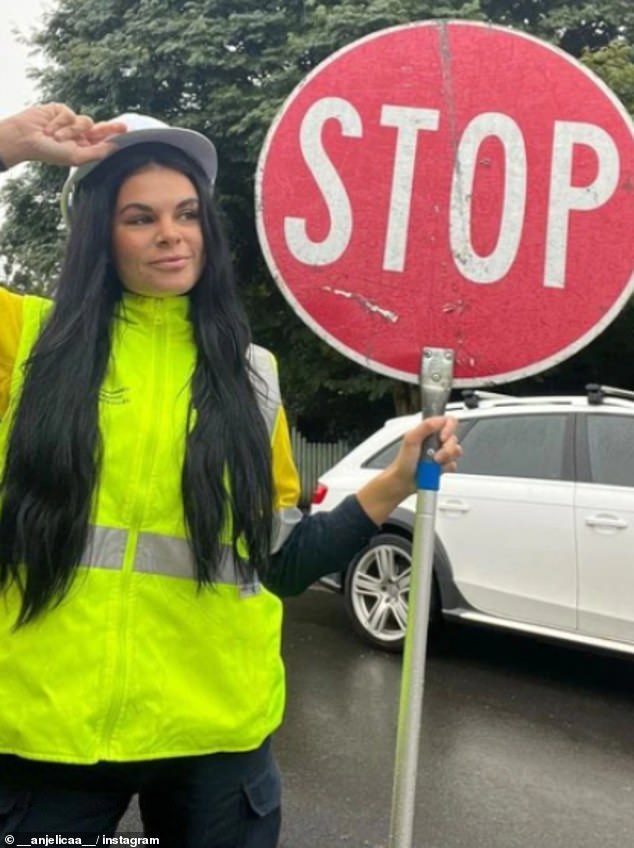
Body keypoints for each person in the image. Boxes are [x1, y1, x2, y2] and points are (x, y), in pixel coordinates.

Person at [0, 103, 461, 847]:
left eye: (186, 213)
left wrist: (394, 482)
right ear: (97, 235)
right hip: (49, 732)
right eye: (139, 218)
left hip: (215, 739)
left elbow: (279, 564)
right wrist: (8, 145)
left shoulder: (252, 377)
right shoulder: (26, 341)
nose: (171, 235)